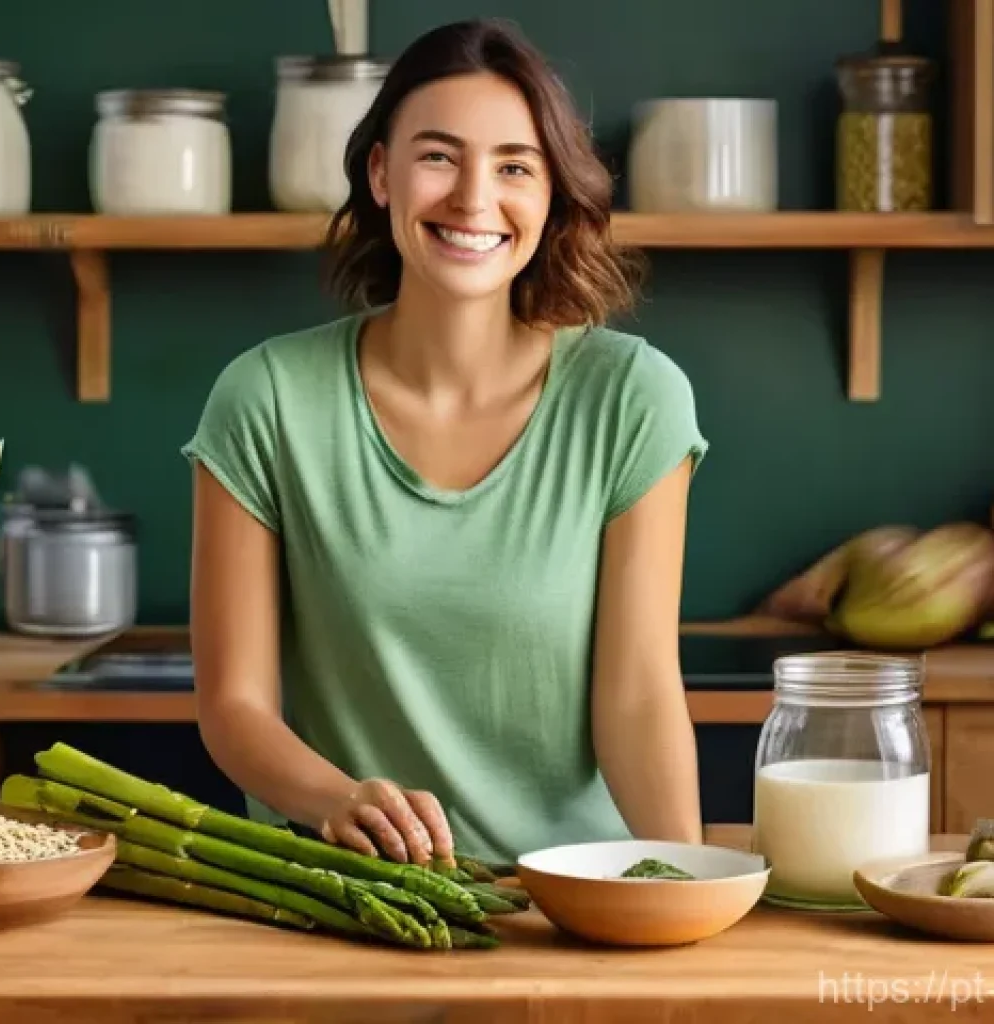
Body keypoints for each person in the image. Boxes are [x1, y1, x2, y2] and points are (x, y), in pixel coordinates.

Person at [181, 17, 709, 869]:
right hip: (352, 896)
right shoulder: (266, 399)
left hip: (571, 897)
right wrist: (337, 800)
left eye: (513, 166)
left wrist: (680, 884)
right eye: (437, 156)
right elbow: (234, 706)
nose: (472, 199)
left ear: (549, 195)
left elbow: (638, 697)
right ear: (382, 174)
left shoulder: (631, 398)